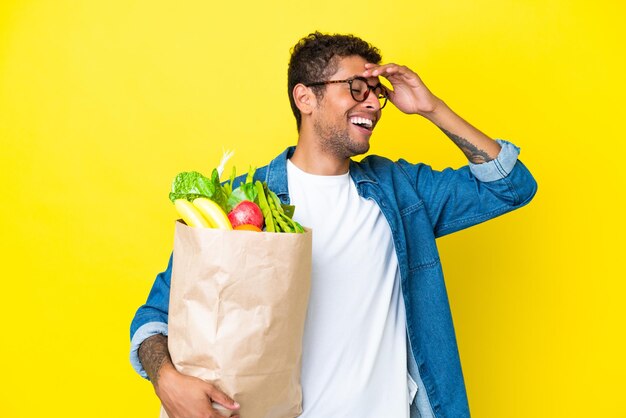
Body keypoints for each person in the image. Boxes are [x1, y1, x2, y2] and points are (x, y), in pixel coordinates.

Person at [130, 32, 537, 418]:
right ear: (305, 97)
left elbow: (511, 186)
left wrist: (432, 108)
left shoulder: (401, 192)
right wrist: (165, 380)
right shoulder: (242, 203)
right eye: (356, 88)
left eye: (377, 92)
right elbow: (155, 315)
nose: (375, 104)